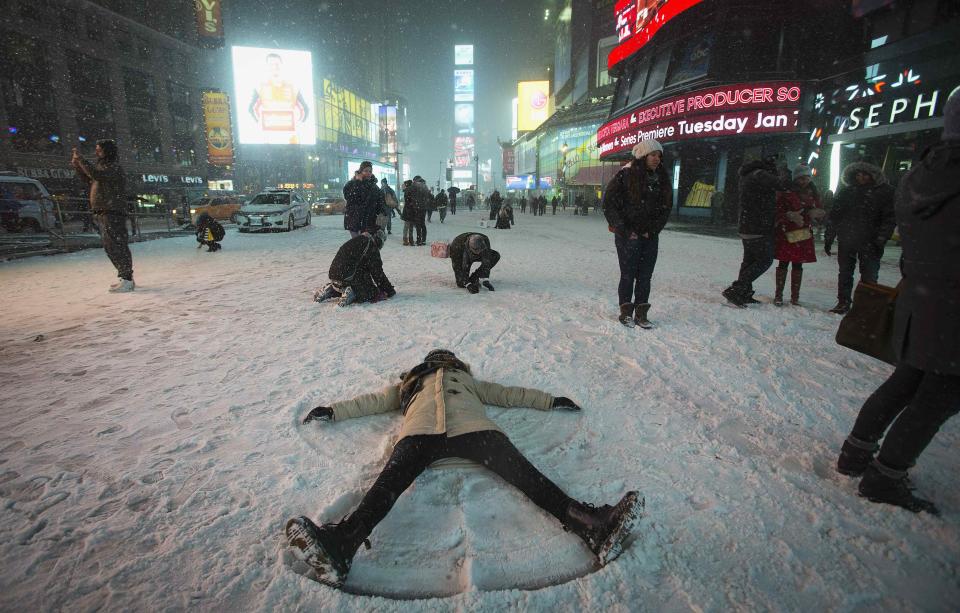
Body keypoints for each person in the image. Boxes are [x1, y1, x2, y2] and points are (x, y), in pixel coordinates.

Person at [287, 348, 642, 587]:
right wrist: (333, 410)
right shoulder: (409, 385)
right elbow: (372, 401)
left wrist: (549, 400)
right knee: (386, 485)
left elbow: (508, 393)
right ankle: (342, 545)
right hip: (419, 434)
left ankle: (592, 525)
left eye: (447, 360)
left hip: (476, 431)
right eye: (439, 361)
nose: (443, 364)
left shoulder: (468, 382)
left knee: (528, 477)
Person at [835, 93, 960, 516]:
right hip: (953, 307)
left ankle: (856, 454)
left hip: (921, 298)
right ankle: (886, 476)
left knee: (907, 381)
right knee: (939, 396)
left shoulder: (919, 177)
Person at [602, 140, 673, 329]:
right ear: (642, 156)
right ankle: (626, 312)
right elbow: (609, 204)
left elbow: (666, 207)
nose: (657, 159)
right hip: (628, 236)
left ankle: (641, 313)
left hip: (650, 236)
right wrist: (624, 229)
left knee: (645, 276)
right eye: (653, 155)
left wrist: (654, 229)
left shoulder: (662, 177)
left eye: (659, 155)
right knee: (628, 274)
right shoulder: (625, 175)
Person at [823, 161, 896, 314]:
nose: (860, 177)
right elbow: (835, 216)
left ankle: (865, 305)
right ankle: (844, 302)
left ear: (872, 175)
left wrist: (881, 238)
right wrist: (829, 236)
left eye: (864, 174)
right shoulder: (847, 191)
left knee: (869, 275)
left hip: (871, 240)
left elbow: (889, 218)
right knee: (845, 272)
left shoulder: (884, 192)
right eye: (858, 174)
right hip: (847, 238)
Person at [721, 154, 787, 307]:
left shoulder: (748, 175)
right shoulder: (760, 175)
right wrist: (783, 170)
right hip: (758, 225)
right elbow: (782, 185)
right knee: (764, 260)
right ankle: (737, 289)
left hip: (748, 224)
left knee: (749, 261)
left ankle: (743, 292)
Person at [71, 140, 134, 292]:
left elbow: (97, 175)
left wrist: (82, 161)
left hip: (112, 211)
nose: (96, 152)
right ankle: (124, 277)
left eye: (99, 150)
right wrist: (78, 166)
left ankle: (127, 278)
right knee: (110, 246)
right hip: (103, 211)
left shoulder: (113, 167)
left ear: (108, 151)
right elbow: (89, 179)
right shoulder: (103, 167)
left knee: (117, 245)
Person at [772, 164, 825, 306]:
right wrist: (789, 215)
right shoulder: (786, 191)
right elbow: (777, 210)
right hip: (787, 231)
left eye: (807, 177)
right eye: (801, 178)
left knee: (798, 264)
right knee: (783, 262)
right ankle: (779, 295)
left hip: (802, 232)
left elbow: (819, 209)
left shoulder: (813, 192)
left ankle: (795, 297)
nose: (805, 181)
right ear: (796, 178)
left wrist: (816, 214)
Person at [314, 228, 395, 307]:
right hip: (347, 275)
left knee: (361, 275)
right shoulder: (371, 247)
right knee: (370, 291)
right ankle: (353, 292)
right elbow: (377, 273)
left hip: (334, 273)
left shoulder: (359, 240)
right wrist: (389, 290)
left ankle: (333, 289)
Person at [247, 52, 310, 145]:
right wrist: (262, 125)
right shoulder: (260, 87)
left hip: (291, 141)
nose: (274, 67)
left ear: (282, 65)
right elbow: (252, 109)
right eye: (271, 64)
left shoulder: (293, 87)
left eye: (277, 64)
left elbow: (305, 110)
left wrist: (296, 126)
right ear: (267, 67)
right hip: (269, 141)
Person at [343, 161, 384, 238]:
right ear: (360, 171)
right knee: (358, 245)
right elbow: (350, 198)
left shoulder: (374, 187)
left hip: (369, 221)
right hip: (355, 220)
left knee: (368, 246)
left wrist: (381, 211)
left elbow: (379, 201)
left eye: (370, 171)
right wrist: (358, 182)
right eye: (365, 171)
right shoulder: (351, 184)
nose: (368, 173)